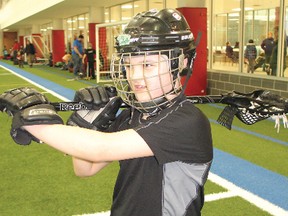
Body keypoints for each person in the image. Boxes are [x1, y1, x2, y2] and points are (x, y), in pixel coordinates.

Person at [0, 9, 213, 216]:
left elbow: (100, 148)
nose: (135, 76)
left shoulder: (188, 122)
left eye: (147, 64)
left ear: (182, 62)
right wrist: (86, 123)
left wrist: (32, 120)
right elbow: (84, 169)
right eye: (129, 66)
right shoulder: (132, 115)